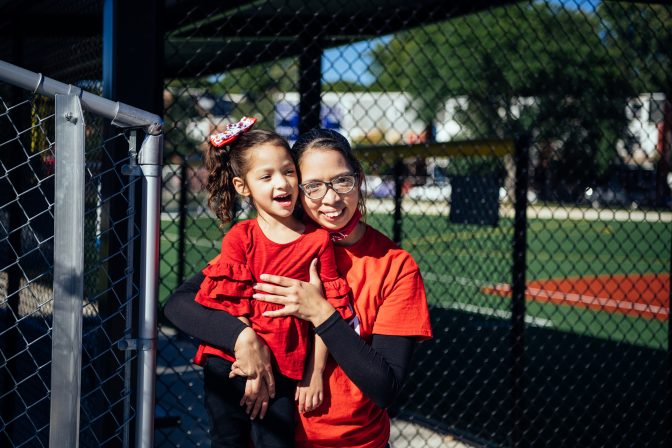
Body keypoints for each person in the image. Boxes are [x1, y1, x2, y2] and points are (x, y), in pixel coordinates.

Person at [164, 128, 433, 448]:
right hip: (274, 432)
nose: (331, 198)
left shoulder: (394, 265)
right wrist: (243, 338)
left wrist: (322, 312)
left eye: (342, 181)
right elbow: (179, 304)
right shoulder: (275, 244)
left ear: (358, 178)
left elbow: (385, 388)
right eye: (314, 186)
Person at [191, 119, 352, 448]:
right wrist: (250, 367)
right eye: (266, 176)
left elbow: (328, 310)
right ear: (242, 186)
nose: (282, 183)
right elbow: (228, 303)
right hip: (231, 367)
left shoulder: (317, 241)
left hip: (285, 369)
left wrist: (314, 371)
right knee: (227, 441)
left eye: (288, 171)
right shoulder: (241, 238)